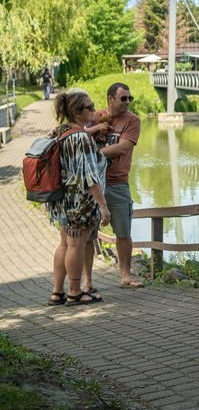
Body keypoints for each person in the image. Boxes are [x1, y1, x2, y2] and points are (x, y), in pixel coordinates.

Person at [45, 90, 111, 307]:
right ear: (76, 111)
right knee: (76, 245)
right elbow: (90, 177)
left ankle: (57, 292)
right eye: (89, 107)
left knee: (64, 244)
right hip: (79, 201)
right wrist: (103, 206)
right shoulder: (81, 138)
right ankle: (74, 292)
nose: (94, 111)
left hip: (62, 199)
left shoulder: (59, 131)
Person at [83, 83, 143, 290]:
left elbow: (123, 147)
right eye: (123, 98)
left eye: (130, 99)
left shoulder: (132, 121)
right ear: (110, 99)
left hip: (118, 183)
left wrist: (92, 154)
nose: (128, 102)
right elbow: (78, 136)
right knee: (87, 234)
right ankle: (87, 281)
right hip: (92, 184)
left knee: (123, 231)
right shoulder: (94, 117)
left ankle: (125, 275)